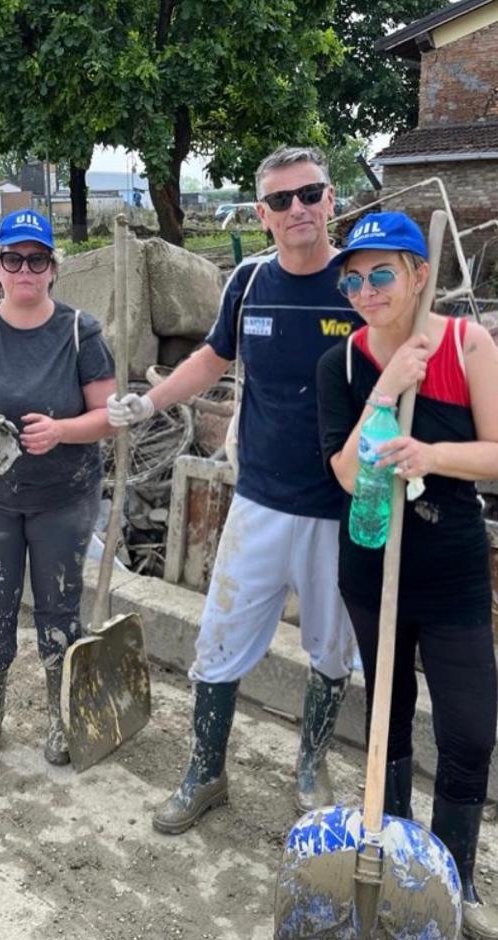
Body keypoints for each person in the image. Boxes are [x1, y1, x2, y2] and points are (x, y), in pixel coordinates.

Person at [108, 146, 362, 832]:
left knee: (332, 648)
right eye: (280, 200)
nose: (297, 209)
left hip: (342, 508)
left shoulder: (361, 282)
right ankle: (205, 771)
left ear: (330, 198)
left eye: (309, 194)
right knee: (219, 638)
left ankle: (311, 766)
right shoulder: (249, 282)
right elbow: (212, 358)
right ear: (262, 214)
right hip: (259, 502)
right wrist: (149, 402)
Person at [317, 211, 498, 938]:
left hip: (451, 567)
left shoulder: (467, 344)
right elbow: (343, 472)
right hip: (370, 563)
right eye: (353, 280)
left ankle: (452, 875)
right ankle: (391, 852)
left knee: (471, 731)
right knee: (387, 712)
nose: (366, 291)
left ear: (420, 274)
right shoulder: (341, 364)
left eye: (382, 274)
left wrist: (431, 456)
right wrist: (386, 388)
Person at [0, 209, 116, 766]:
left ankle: (61, 717)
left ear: (53, 269)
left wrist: (62, 431)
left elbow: (108, 417)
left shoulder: (81, 331)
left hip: (64, 495)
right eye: (13, 259)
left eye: (37, 260)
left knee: (59, 610)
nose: (25, 271)